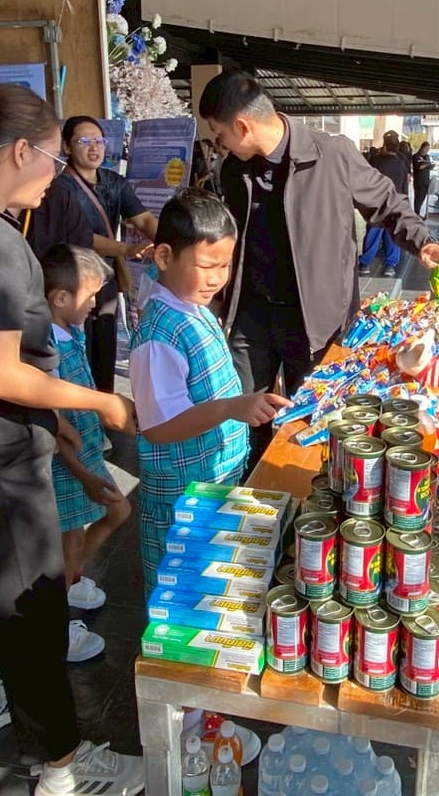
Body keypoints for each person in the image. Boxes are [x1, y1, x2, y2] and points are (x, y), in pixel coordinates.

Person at [0, 84, 143, 792]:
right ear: (20, 151)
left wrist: (57, 413)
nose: (56, 176)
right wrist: (99, 399)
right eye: (54, 159)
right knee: (31, 608)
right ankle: (63, 765)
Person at [200, 71, 439, 457]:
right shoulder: (233, 169)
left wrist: (423, 241)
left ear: (242, 126)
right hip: (251, 316)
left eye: (220, 134)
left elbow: (387, 202)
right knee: (245, 417)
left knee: (311, 421)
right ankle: (248, 486)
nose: (219, 144)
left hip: (315, 321)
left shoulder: (331, 154)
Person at [131, 190, 290, 591]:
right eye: (206, 266)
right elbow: (159, 428)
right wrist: (231, 408)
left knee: (211, 581)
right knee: (182, 588)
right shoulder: (158, 336)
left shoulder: (191, 305)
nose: (218, 278)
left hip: (212, 480)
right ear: (164, 257)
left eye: (226, 265)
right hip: (181, 495)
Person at [40, 243, 132, 655]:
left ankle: (71, 580)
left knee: (116, 513)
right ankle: (54, 627)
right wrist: (83, 473)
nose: (95, 303)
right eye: (90, 295)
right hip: (69, 464)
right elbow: (53, 419)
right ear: (60, 298)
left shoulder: (71, 331)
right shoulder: (46, 346)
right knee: (70, 542)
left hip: (86, 454)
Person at [53, 115, 159, 391]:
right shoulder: (59, 188)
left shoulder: (114, 182)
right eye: (84, 141)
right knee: (80, 348)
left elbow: (144, 220)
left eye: (99, 141)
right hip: (73, 280)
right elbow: (82, 237)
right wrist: (128, 249)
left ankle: (104, 403)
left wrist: (172, 244)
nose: (94, 147)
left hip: (105, 279)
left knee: (105, 349)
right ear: (66, 147)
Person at [358, 131, 413, 277]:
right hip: (395, 205)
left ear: (384, 145)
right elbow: (404, 186)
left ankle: (365, 264)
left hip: (377, 204)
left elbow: (367, 182)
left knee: (373, 234)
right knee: (393, 235)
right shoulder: (402, 163)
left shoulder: (376, 161)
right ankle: (391, 265)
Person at [411, 140, 434, 217]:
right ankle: (416, 213)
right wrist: (427, 164)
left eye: (428, 149)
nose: (427, 151)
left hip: (426, 180)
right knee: (418, 197)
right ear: (422, 148)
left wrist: (430, 165)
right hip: (419, 181)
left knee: (423, 197)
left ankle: (418, 212)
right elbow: (419, 167)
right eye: (426, 149)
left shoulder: (427, 157)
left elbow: (429, 166)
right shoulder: (416, 156)